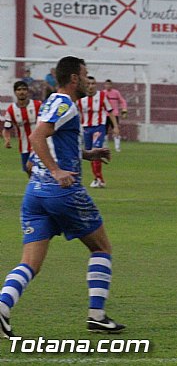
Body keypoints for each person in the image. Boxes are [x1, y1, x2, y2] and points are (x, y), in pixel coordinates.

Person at [0, 56, 125, 339]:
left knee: (30, 263)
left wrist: (86, 154)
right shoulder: (65, 104)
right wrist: (56, 171)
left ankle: (2, 307)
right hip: (62, 192)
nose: (89, 81)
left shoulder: (51, 103)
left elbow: (43, 149)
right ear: (74, 78)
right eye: (86, 75)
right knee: (101, 248)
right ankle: (97, 316)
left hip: (35, 194)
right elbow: (37, 138)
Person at [76, 76, 119, 188]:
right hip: (86, 129)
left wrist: (115, 126)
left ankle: (99, 179)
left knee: (97, 150)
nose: (91, 86)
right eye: (88, 84)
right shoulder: (80, 99)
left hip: (99, 128)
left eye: (93, 84)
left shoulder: (102, 96)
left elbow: (110, 111)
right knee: (90, 154)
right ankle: (97, 178)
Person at [2, 80, 42, 175]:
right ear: (15, 92)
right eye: (19, 90)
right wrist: (7, 140)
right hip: (24, 147)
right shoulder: (11, 110)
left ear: (28, 91)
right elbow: (6, 128)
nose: (21, 92)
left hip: (40, 145)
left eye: (24, 89)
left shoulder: (38, 105)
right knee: (29, 171)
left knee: (42, 171)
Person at [103, 79, 128, 152]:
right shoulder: (102, 93)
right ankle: (105, 147)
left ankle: (117, 147)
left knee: (116, 130)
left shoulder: (116, 93)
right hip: (105, 115)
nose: (108, 86)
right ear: (104, 85)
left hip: (114, 114)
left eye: (109, 84)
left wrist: (124, 110)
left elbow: (122, 101)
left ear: (111, 85)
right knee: (104, 131)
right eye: (106, 84)